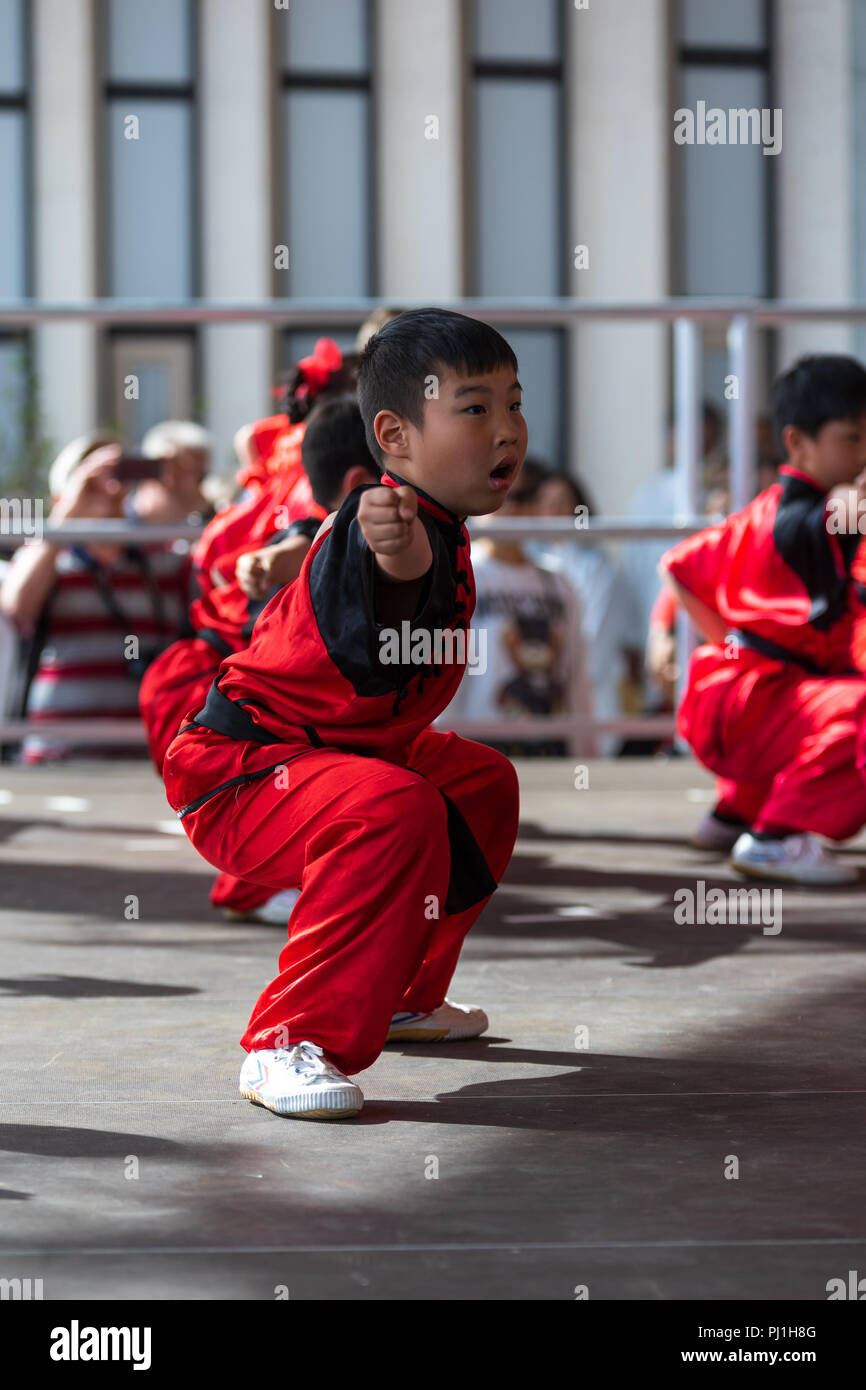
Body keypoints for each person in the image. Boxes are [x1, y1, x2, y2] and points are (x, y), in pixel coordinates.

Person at [162, 308, 523, 1120]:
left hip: (336, 756)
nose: (506, 429)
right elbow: (386, 569)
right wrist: (394, 554)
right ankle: (285, 1041)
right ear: (392, 436)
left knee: (479, 783)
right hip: (242, 772)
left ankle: (397, 996)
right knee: (392, 809)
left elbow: (339, 543)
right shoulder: (389, 525)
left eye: (513, 403)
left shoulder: (430, 522)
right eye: (475, 408)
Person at [139, 397, 378, 925]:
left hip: (217, 683)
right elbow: (290, 548)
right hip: (218, 692)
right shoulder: (318, 516)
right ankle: (271, 888)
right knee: (308, 777)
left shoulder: (289, 483)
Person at [660, 354, 866, 885]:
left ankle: (734, 814)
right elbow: (847, 507)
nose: (864, 454)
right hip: (756, 702)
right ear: (797, 443)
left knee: (819, 690)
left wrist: (728, 644)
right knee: (855, 704)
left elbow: (680, 566)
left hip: (728, 696)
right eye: (854, 439)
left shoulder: (755, 512)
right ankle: (775, 838)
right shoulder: (823, 511)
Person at [0, 433, 191, 764]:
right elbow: (17, 607)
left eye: (120, 475)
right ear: (65, 491)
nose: (110, 487)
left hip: (150, 755)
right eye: (92, 479)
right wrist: (67, 516)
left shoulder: (164, 558)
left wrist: (181, 492)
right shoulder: (49, 558)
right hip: (57, 755)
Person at [436, 460, 595, 757]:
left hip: (550, 744)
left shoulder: (559, 582)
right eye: (498, 492)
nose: (510, 506)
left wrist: (585, 751)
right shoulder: (461, 573)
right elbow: (444, 676)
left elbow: (577, 675)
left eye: (524, 497)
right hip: (480, 745)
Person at [528, 470, 632, 756]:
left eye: (561, 502)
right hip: (538, 698)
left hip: (588, 696)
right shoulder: (527, 561)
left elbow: (596, 640)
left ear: (579, 508)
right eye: (544, 502)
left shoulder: (598, 567)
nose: (551, 511)